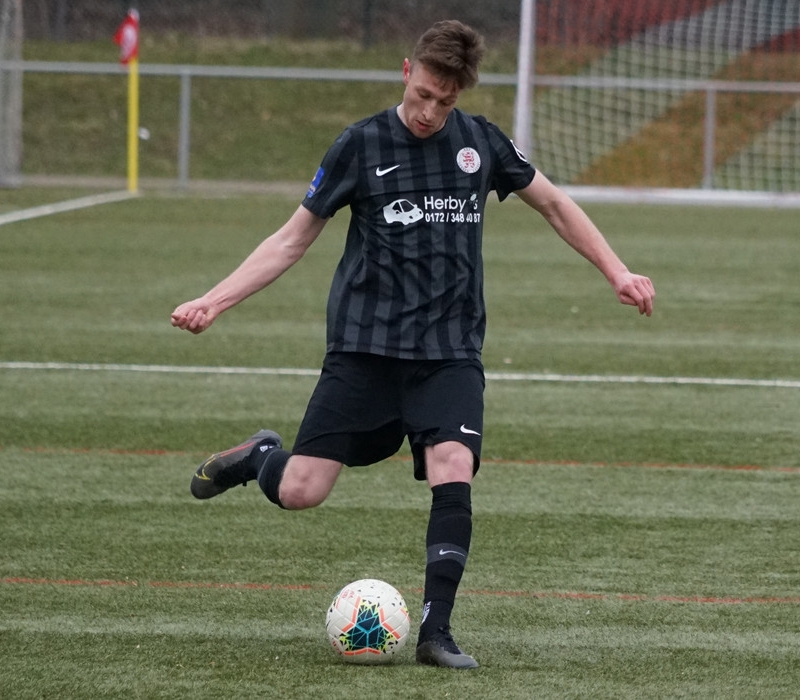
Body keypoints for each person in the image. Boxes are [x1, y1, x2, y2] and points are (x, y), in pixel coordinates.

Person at [171, 19, 655, 669]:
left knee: (453, 465)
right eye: (423, 94)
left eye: (444, 101)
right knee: (302, 490)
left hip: (449, 351)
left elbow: (555, 205)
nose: (430, 111)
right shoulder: (360, 145)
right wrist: (214, 300)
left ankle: (437, 632)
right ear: (407, 71)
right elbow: (291, 240)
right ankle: (259, 456)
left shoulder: (480, 142)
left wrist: (617, 271)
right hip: (365, 349)